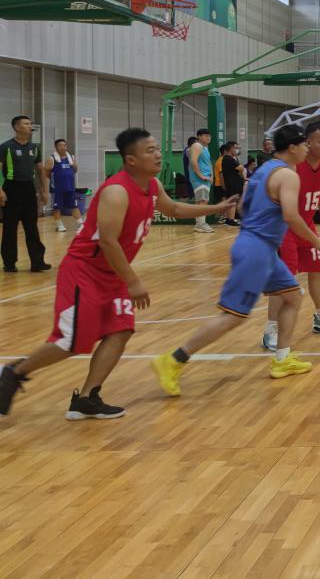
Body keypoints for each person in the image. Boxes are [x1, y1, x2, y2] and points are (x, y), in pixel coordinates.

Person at [0, 128, 236, 419]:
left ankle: (87, 398)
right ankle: (13, 373)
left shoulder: (152, 185)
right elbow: (108, 241)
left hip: (113, 273)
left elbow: (173, 208)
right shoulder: (116, 191)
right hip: (85, 271)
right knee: (72, 341)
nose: (158, 154)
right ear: (131, 160)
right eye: (150, 150)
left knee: (120, 330)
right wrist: (133, 282)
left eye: (156, 149)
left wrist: (217, 207)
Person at [153, 126, 320, 397]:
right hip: (256, 250)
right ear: (293, 147)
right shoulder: (288, 176)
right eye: (304, 144)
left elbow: (244, 205)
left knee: (293, 296)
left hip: (258, 246)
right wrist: (315, 241)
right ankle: (174, 359)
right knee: (233, 316)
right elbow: (291, 216)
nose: (307, 149)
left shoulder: (264, 169)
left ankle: (282, 359)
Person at [265, 119, 320, 348]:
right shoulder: (290, 167)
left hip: (306, 224)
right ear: (307, 142)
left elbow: (319, 187)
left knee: (318, 269)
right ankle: (271, 329)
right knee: (285, 278)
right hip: (284, 227)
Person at [1, 115, 50, 272]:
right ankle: (9, 263)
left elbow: (41, 170)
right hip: (11, 189)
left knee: (32, 227)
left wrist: (44, 190)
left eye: (30, 124)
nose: (30, 126)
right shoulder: (6, 146)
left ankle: (37, 262)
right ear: (17, 127)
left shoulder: (34, 147)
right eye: (26, 124)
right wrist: (0, 190)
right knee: (10, 228)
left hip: (29, 189)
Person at [46, 138, 83, 233]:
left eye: (64, 145)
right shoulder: (52, 158)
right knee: (57, 207)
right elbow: (47, 172)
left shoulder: (71, 157)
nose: (62, 147)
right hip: (57, 188)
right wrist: (55, 180)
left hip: (70, 187)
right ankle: (59, 225)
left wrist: (75, 166)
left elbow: (75, 170)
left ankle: (81, 224)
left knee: (74, 206)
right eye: (60, 145)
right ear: (56, 147)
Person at [187, 128, 214, 234]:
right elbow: (193, 161)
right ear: (199, 137)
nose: (208, 137)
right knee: (201, 200)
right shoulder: (196, 146)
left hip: (206, 177)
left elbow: (209, 163)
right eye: (205, 135)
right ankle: (200, 224)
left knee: (203, 201)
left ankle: (200, 224)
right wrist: (201, 175)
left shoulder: (205, 148)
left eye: (209, 135)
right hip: (199, 178)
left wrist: (212, 176)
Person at [218, 142, 245, 227]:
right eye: (235, 148)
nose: (237, 150)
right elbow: (240, 168)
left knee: (234, 201)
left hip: (234, 183)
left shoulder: (231, 158)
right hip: (232, 184)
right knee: (233, 201)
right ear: (230, 149)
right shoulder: (228, 159)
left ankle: (230, 218)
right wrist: (241, 169)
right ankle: (230, 219)